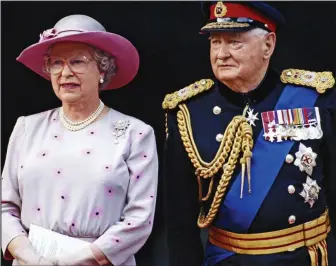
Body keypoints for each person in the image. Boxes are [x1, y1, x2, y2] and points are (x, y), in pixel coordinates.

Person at [162, 2, 335, 266]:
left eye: (234, 42)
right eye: (215, 42)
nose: (221, 54)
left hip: (304, 258)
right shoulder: (188, 112)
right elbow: (179, 221)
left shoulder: (315, 99)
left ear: (268, 45)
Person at [1, 14, 158, 266]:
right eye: (56, 63)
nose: (65, 72)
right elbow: (5, 207)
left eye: (77, 61)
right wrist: (31, 257)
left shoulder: (135, 133)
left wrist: (73, 261)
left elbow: (139, 220)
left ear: (102, 70)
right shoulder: (26, 128)